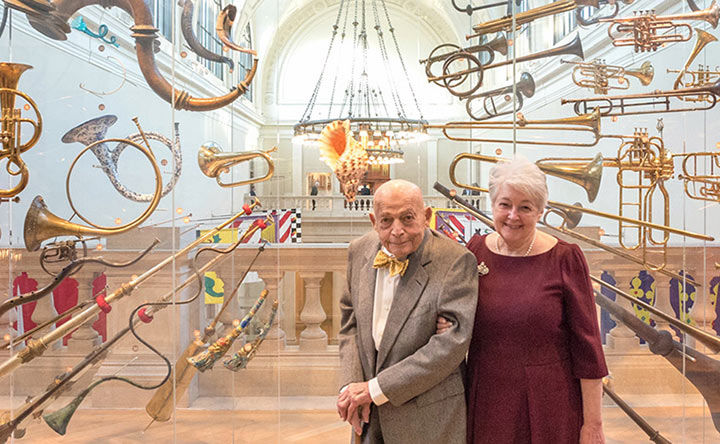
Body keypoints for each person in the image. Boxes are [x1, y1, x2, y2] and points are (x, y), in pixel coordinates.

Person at [438, 157, 608, 444]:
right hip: (486, 401)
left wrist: (593, 425)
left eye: (525, 207)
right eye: (505, 204)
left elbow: (588, 350)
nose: (513, 215)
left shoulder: (565, 258)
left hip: (548, 406)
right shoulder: (474, 251)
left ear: (541, 211)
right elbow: (456, 313)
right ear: (493, 205)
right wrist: (447, 324)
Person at [337, 179, 478, 443]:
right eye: (386, 220)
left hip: (428, 419)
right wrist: (351, 388)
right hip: (367, 416)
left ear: (426, 217)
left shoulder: (455, 260)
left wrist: (375, 389)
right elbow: (349, 322)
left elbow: (451, 345)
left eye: (408, 218)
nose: (397, 230)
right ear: (373, 220)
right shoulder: (359, 251)